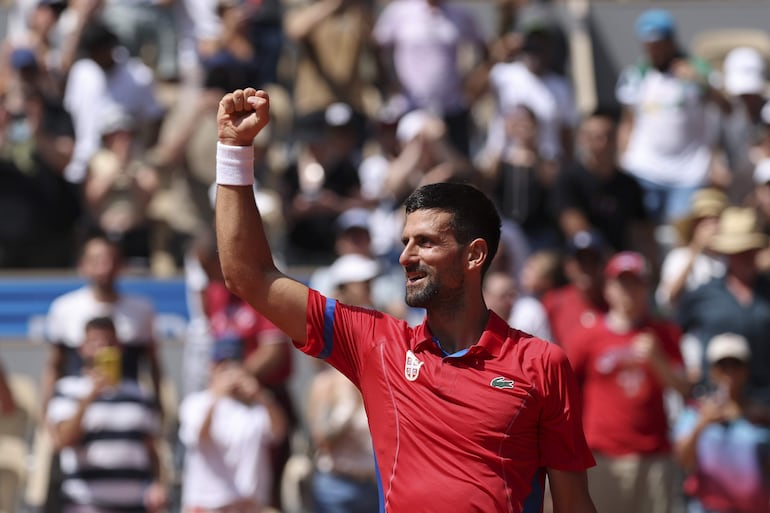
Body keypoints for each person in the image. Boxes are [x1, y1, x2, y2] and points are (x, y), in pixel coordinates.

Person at [213, 87, 597, 513]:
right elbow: (247, 275)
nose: (405, 256)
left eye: (426, 242)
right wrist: (235, 150)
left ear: (475, 255)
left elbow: (574, 505)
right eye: (405, 241)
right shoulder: (376, 345)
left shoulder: (542, 364)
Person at [568, 251, 690, 513]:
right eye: (622, 283)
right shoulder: (588, 335)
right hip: (603, 456)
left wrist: (658, 359)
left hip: (654, 455)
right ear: (608, 288)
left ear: (646, 288)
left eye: (635, 283)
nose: (628, 291)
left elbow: (684, 388)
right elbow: (563, 388)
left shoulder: (664, 333)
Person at [616, 8, 729, 225]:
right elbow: (628, 120)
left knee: (681, 230)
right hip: (644, 168)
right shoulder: (636, 75)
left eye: (659, 43)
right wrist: (621, 157)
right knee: (642, 230)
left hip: (688, 173)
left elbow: (726, 109)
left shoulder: (699, 71)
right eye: (650, 45)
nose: (655, 50)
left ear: (671, 41)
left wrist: (701, 82)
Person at [46, 316, 166, 513]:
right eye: (95, 342)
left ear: (120, 348)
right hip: (85, 505)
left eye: (109, 342)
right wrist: (89, 397)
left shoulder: (140, 393)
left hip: (136, 506)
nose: (102, 348)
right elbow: (61, 440)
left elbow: (151, 449)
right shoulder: (67, 390)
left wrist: (157, 485)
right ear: (82, 349)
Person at [43, 233, 163, 417]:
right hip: (73, 409)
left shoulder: (142, 309)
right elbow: (54, 365)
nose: (105, 268)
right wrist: (45, 410)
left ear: (121, 265)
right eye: (97, 260)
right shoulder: (63, 308)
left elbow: (153, 365)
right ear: (82, 266)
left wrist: (158, 407)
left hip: (127, 410)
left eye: (111, 260)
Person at [178, 335, 288, 513]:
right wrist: (217, 396)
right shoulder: (195, 403)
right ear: (211, 368)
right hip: (207, 506)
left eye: (234, 365)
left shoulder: (255, 407)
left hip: (247, 506)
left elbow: (279, 433)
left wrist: (261, 395)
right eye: (223, 366)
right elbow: (199, 436)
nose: (229, 372)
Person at [677, 207, 770, 402]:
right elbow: (674, 330)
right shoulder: (704, 294)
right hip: (712, 401)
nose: (746, 257)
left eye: (750, 251)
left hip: (763, 404)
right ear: (727, 254)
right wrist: (686, 370)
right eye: (739, 251)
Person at [673, 333, 770, 513]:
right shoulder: (696, 412)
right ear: (712, 371)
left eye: (736, 365)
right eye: (722, 366)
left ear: (746, 370)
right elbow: (681, 460)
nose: (729, 372)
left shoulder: (761, 417)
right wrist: (702, 424)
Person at [542, 230, 609, 353]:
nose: (587, 268)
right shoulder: (553, 302)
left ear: (603, 265)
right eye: (581, 261)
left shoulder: (615, 303)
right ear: (568, 266)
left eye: (593, 260)